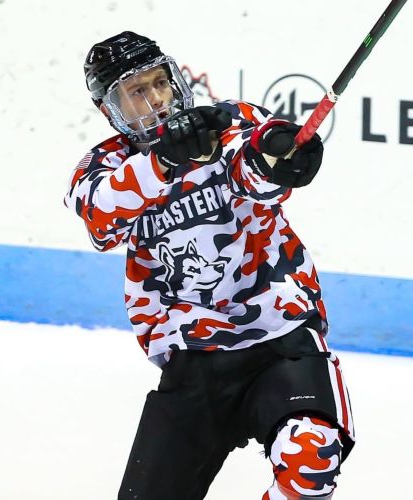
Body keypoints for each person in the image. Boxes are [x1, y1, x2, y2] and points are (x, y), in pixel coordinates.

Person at [64, 31, 355, 500]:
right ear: (110, 109)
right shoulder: (103, 165)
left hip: (280, 335)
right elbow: (101, 218)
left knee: (311, 457)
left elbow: (256, 169)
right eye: (137, 91)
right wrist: (161, 161)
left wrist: (277, 157)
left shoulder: (228, 123)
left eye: (160, 82)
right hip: (193, 352)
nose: (157, 99)